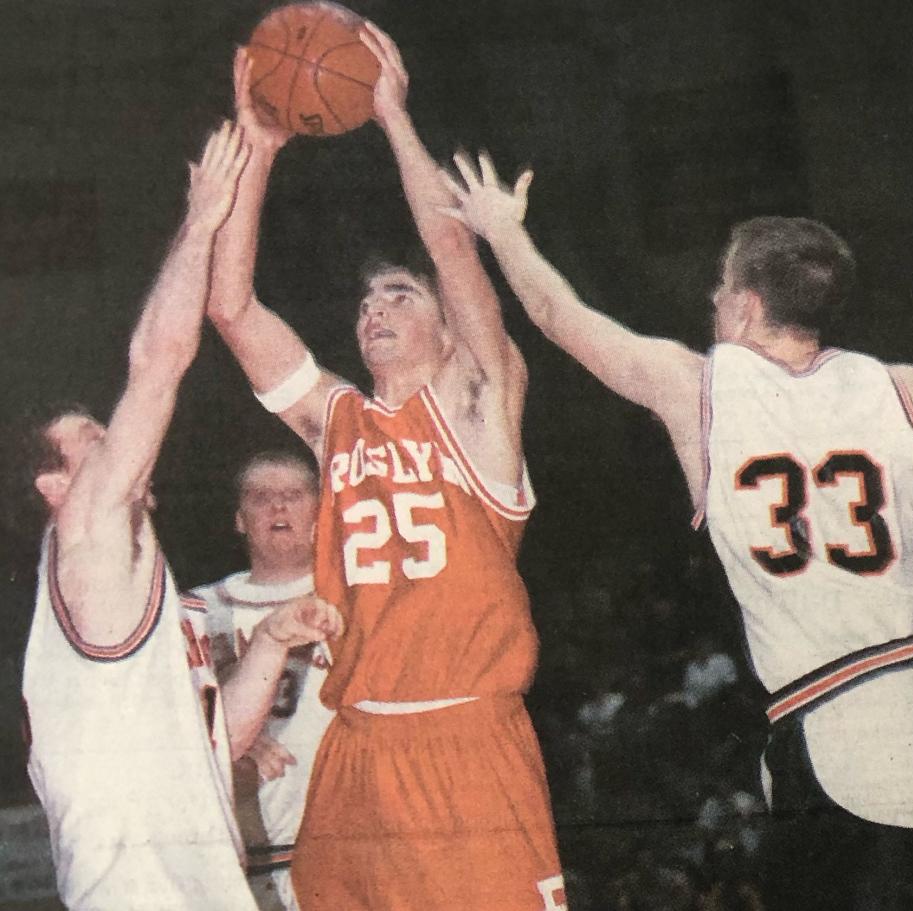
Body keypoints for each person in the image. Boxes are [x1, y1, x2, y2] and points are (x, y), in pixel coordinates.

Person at [441, 156, 913, 909]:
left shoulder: (700, 388)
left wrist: (501, 231)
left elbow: (558, 315)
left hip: (839, 721)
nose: (711, 302)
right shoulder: (910, 388)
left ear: (746, 307)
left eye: (719, 289)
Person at [206, 24, 566, 911]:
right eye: (366, 299)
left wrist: (392, 116)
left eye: (397, 295)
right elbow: (232, 307)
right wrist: (256, 151)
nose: (374, 307)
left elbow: (453, 248)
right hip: (357, 750)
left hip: (465, 745)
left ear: (447, 329)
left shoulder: (483, 408)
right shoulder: (338, 423)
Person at [21, 123, 343, 911]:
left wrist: (268, 641)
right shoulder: (85, 541)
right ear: (53, 488)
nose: (117, 446)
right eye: (92, 443)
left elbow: (214, 749)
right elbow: (157, 363)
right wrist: (202, 218)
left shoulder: (134, 578)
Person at [196, 450, 335, 911]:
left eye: (293, 495)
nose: (278, 508)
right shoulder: (199, 610)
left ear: (321, 511)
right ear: (239, 519)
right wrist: (227, 732)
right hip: (244, 861)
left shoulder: (360, 598)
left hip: (344, 848)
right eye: (261, 498)